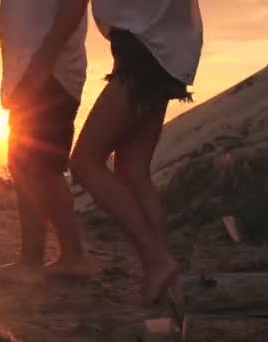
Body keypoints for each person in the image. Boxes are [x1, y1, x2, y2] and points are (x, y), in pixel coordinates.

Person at [70, 0, 203, 304]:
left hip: (144, 48)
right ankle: (163, 278)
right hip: (163, 48)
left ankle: (157, 261)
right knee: (133, 169)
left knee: (84, 162)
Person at [0, 0, 94, 275]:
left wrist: (43, 60)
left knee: (40, 166)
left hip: (49, 71)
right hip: (30, 70)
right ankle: (39, 256)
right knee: (28, 164)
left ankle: (67, 257)